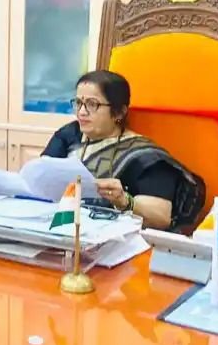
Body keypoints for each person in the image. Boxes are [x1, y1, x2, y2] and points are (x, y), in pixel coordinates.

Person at [42, 70, 205, 230]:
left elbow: (161, 217)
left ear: (119, 112)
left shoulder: (145, 157)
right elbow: (41, 176)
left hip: (115, 238)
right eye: (78, 103)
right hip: (60, 228)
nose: (82, 112)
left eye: (92, 104)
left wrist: (125, 201)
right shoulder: (69, 134)